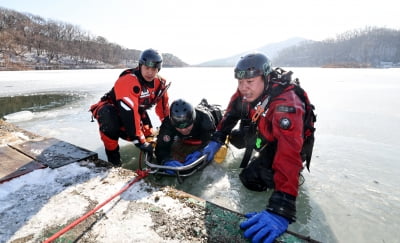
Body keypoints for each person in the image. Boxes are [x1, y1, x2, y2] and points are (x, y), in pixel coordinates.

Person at [199, 52, 312, 243]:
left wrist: (282, 208)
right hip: (266, 132)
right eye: (240, 82)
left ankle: (284, 181)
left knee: (249, 179)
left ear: (266, 78)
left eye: (250, 81)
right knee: (236, 137)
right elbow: (230, 115)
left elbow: (289, 154)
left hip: (289, 144)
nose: (244, 88)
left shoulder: (287, 104)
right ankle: (264, 164)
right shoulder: (245, 93)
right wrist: (217, 139)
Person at [90, 49, 170, 166]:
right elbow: (128, 111)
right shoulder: (128, 81)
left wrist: (169, 127)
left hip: (137, 112)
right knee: (109, 119)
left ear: (158, 69)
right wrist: (140, 141)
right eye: (147, 68)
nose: (150, 72)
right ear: (140, 66)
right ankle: (114, 161)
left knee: (150, 137)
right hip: (112, 110)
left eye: (154, 69)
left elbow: (164, 109)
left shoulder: (160, 84)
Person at [154, 98, 218, 167]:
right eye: (179, 127)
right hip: (188, 138)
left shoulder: (204, 119)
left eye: (187, 126)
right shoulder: (168, 123)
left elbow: (210, 141)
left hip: (215, 114)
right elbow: (161, 148)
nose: (184, 130)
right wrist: (165, 160)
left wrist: (200, 152)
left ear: (193, 120)